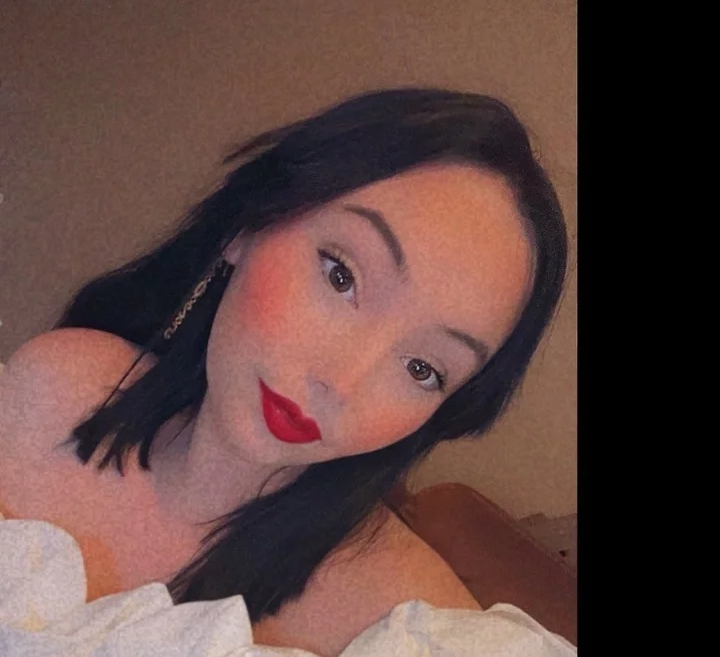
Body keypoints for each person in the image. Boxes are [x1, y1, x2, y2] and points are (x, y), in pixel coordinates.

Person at [0, 87, 569, 655]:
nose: (339, 382)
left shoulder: (407, 627)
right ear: (248, 224)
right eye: (341, 277)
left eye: (423, 368)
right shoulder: (60, 385)